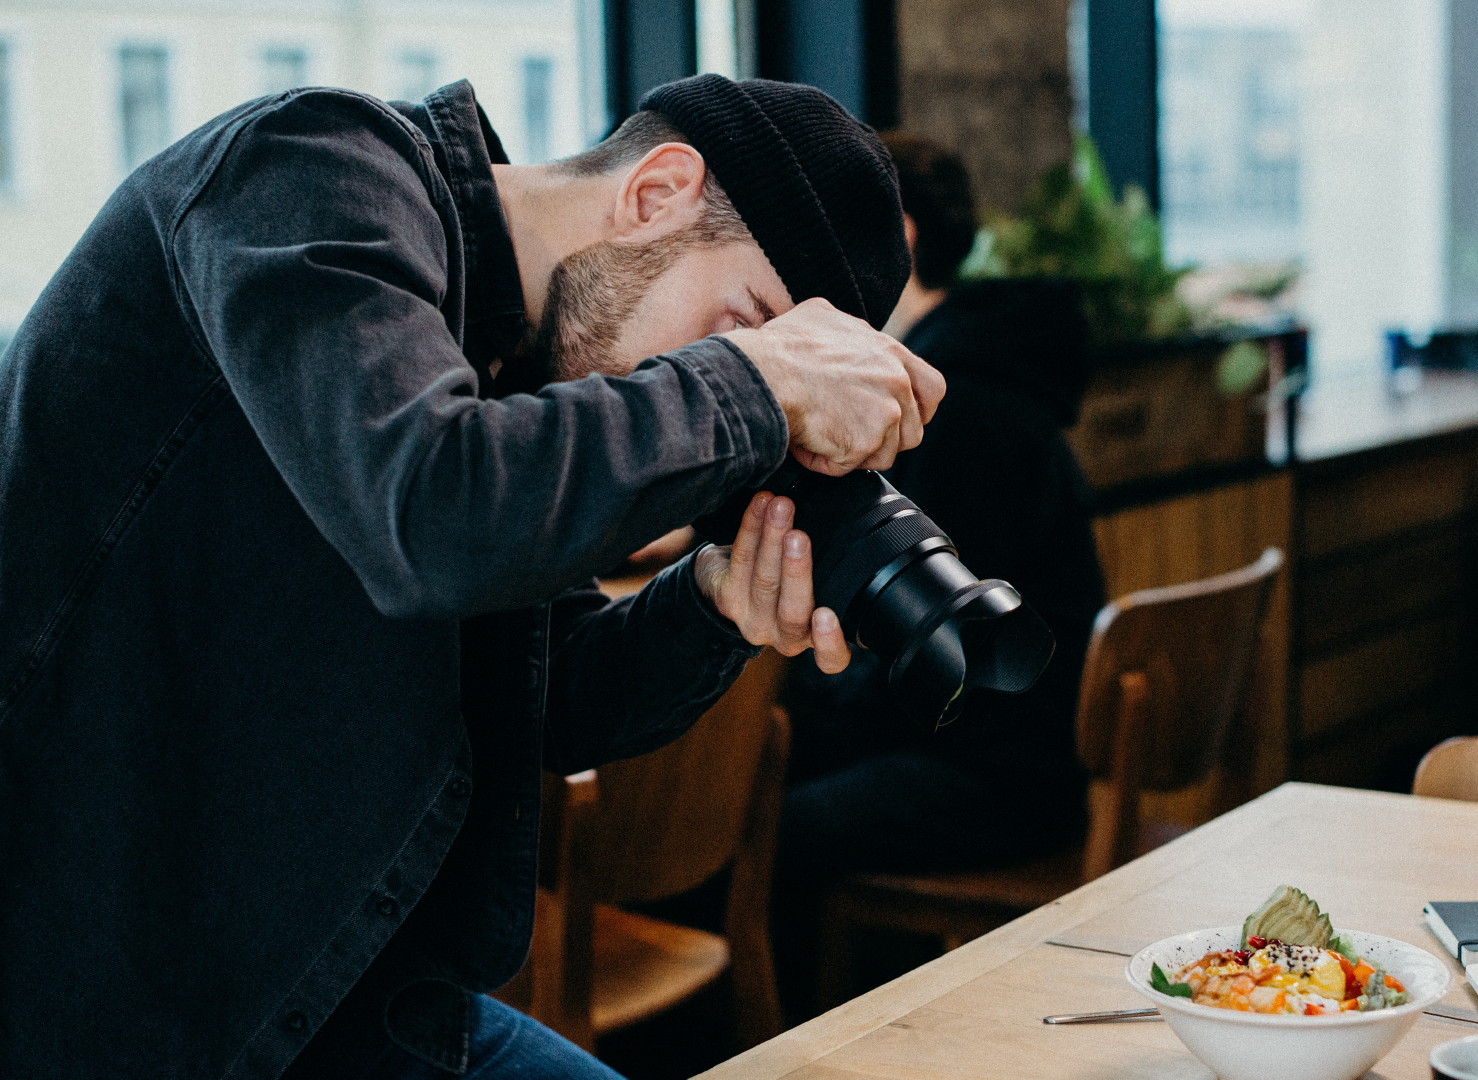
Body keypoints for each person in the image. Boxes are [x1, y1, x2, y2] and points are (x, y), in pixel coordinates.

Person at [0, 74, 945, 1079]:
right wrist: (758, 382)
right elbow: (429, 514)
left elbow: (554, 697)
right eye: (743, 320)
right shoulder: (311, 167)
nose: (732, 370)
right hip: (88, 994)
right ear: (656, 192)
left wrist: (716, 605)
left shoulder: (506, 366)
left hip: (326, 993)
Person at [773, 133, 1107, 1016]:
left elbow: (945, 665)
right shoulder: (986, 372)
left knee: (745, 828)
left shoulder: (954, 411)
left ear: (902, 240)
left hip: (993, 779)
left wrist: (794, 717)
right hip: (1019, 755)